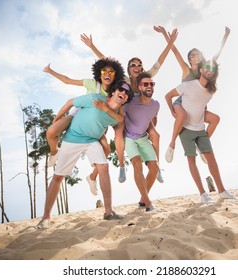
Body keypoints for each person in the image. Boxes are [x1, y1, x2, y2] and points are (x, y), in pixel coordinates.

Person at [80, 28, 178, 184]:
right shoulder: (124, 79)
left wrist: (170, 41)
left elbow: (159, 62)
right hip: (125, 113)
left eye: (139, 65)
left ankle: (157, 166)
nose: (136, 67)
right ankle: (121, 166)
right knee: (118, 134)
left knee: (155, 135)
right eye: (133, 65)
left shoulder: (146, 78)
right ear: (128, 68)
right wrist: (92, 46)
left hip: (141, 116)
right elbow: (108, 61)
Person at [35, 80, 134, 229]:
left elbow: (121, 120)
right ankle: (45, 218)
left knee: (104, 167)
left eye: (127, 93)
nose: (124, 93)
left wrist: (106, 110)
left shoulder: (118, 113)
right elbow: (70, 102)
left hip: (92, 141)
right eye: (121, 89)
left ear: (126, 99)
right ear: (113, 91)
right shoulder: (95, 98)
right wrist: (57, 118)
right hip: (72, 138)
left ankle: (108, 212)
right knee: (58, 177)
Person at [44, 57, 125, 192]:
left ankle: (92, 177)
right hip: (78, 115)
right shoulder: (92, 83)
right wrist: (50, 71)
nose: (107, 74)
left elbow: (121, 110)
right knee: (51, 132)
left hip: (95, 126)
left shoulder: (116, 91)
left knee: (106, 150)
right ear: (99, 73)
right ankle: (54, 151)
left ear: (115, 74)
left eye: (111, 72)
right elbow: (67, 80)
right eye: (104, 71)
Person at [165, 60, 237, 205]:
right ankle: (203, 194)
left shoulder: (211, 91)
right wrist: (173, 112)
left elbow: (201, 105)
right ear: (201, 70)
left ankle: (222, 191)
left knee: (211, 158)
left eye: (212, 68)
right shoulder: (187, 85)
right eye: (207, 67)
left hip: (200, 128)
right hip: (185, 129)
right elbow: (168, 96)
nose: (209, 69)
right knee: (192, 160)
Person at [154, 26, 230, 163]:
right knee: (182, 116)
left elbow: (217, 55)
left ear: (200, 57)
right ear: (189, 59)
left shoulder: (205, 70)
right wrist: (165, 34)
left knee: (215, 119)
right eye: (191, 55)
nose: (193, 56)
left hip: (198, 107)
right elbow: (174, 51)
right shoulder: (186, 69)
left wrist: (225, 36)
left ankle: (201, 146)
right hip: (181, 103)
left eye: (196, 54)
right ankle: (172, 145)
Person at [122, 72, 160, 211]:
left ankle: (143, 200)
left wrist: (152, 130)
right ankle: (149, 204)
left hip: (143, 138)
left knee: (154, 169)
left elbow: (151, 118)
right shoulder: (130, 102)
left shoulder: (156, 105)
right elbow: (118, 113)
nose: (149, 86)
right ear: (139, 87)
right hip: (129, 138)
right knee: (137, 164)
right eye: (145, 84)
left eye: (151, 84)